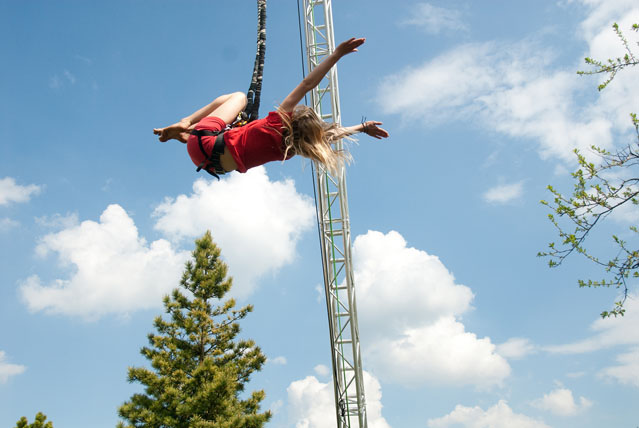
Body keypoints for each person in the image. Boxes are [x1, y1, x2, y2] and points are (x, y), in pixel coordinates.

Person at [153, 37, 389, 178]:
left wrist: (336, 54)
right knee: (238, 131)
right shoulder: (292, 149)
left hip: (204, 140)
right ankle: (185, 134)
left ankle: (186, 123)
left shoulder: (278, 120)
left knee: (238, 98)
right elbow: (329, 135)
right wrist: (361, 128)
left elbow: (308, 84)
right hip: (208, 163)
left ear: (293, 118)